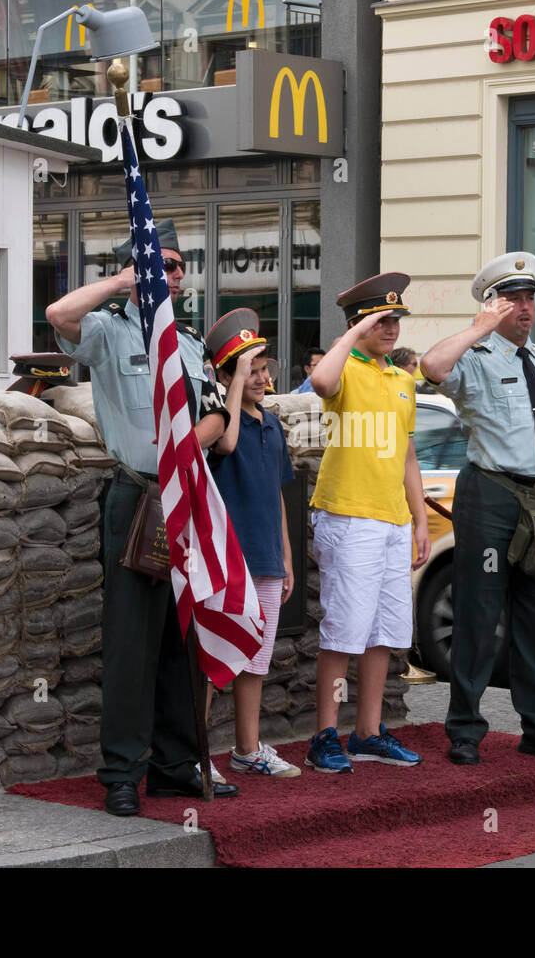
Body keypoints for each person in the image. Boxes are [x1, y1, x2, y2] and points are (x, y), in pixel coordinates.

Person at [45, 218, 240, 816]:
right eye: (165, 264)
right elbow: (58, 315)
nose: (175, 276)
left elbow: (213, 414)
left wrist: (190, 447)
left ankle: (175, 765)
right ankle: (122, 773)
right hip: (137, 496)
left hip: (187, 489)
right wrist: (122, 281)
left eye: (180, 267)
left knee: (184, 635)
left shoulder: (184, 341)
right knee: (132, 641)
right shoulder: (107, 329)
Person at [420, 252, 535, 766]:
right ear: (492, 306)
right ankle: (466, 730)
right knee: (478, 613)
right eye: (511, 299)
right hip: (491, 494)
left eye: (528, 298)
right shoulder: (473, 360)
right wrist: (478, 328)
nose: (523, 308)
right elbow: (432, 367)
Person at [306, 273, 430, 773]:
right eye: (382, 319)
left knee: (384, 632)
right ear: (358, 323)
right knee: (343, 632)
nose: (392, 328)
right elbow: (320, 382)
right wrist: (351, 336)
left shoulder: (402, 379)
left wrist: (420, 520)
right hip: (348, 515)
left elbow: (408, 456)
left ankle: (369, 732)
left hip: (393, 521)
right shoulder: (346, 367)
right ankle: (324, 735)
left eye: (396, 318)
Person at [205, 308, 301, 778]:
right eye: (251, 369)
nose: (262, 378)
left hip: (265, 557)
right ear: (228, 374)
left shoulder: (272, 424)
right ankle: (195, 754)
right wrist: (235, 384)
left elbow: (277, 495)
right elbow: (224, 443)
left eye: (265, 369)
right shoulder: (223, 421)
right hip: (227, 559)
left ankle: (247, 749)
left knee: (255, 659)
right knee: (214, 656)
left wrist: (285, 555)